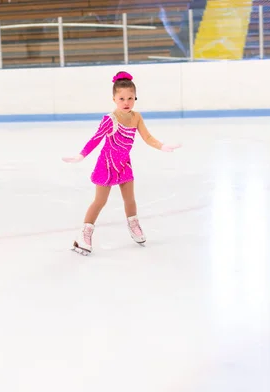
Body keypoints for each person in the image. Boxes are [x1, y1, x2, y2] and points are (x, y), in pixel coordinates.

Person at [62, 71, 181, 255]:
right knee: (100, 201)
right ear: (114, 99)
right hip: (106, 165)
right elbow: (96, 139)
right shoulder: (110, 119)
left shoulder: (136, 117)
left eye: (130, 98)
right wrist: (81, 155)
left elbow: (147, 137)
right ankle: (85, 233)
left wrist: (162, 146)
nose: (126, 102)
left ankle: (133, 224)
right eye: (122, 98)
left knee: (130, 199)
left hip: (124, 163)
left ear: (135, 98)